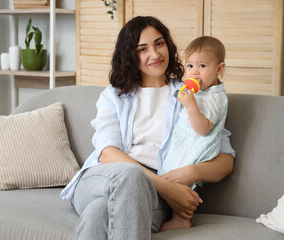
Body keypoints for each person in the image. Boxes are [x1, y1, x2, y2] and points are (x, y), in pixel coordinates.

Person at [60, 16, 235, 240]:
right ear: (131, 56)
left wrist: (189, 173)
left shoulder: (191, 95)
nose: (155, 54)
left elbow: (225, 159)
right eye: (143, 49)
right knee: (131, 176)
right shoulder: (114, 96)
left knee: (97, 213)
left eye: (159, 43)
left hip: (153, 192)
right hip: (104, 177)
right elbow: (107, 153)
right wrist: (166, 188)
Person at [158, 36, 228, 231]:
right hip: (183, 143)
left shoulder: (216, 97)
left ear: (219, 69)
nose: (194, 72)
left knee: (183, 183)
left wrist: (190, 105)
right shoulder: (196, 92)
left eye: (202, 66)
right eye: (189, 66)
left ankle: (181, 219)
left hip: (198, 148)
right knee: (170, 176)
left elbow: (203, 128)